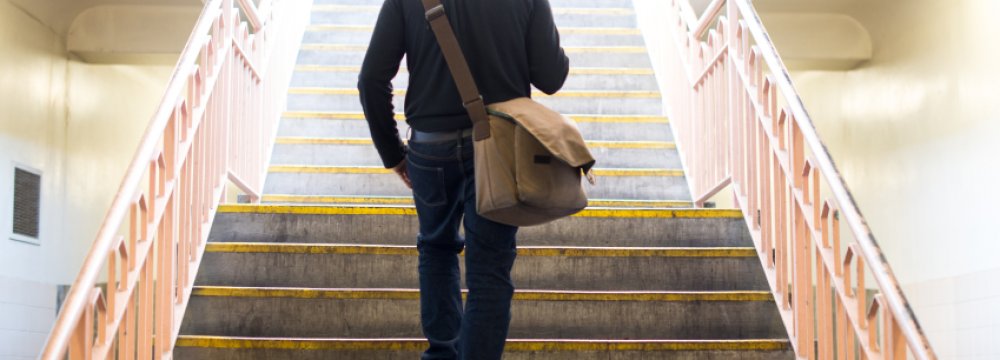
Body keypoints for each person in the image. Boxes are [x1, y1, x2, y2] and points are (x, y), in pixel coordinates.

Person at [358, 0, 568, 358]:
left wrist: (393, 154)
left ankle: (442, 352)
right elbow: (551, 77)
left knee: (436, 249)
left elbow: (371, 79)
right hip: (499, 147)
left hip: (429, 148)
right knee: (489, 267)